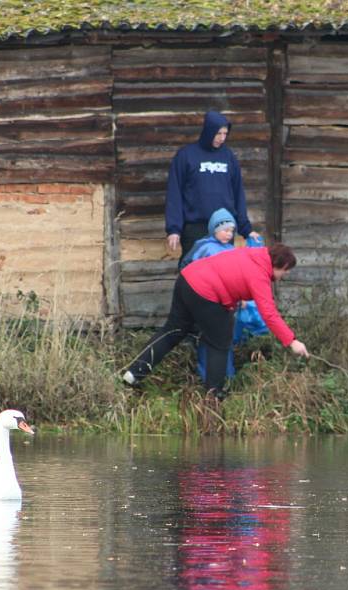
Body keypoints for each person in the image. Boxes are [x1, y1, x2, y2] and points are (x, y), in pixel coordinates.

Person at [122, 244, 309, 397]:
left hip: (187, 278)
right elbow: (269, 313)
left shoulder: (253, 253)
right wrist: (291, 341)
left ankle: (133, 374)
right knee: (220, 342)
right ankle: (214, 395)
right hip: (205, 291)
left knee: (173, 331)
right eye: (286, 272)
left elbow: (233, 273)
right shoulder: (259, 274)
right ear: (281, 266)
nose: (285, 276)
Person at [165, 110, 261, 264]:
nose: (222, 138)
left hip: (224, 228)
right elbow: (174, 193)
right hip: (195, 227)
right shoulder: (186, 155)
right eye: (218, 133)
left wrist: (246, 229)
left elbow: (237, 194)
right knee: (193, 274)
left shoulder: (228, 157)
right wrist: (174, 228)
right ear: (208, 131)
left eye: (225, 134)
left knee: (222, 273)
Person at [181, 207, 238, 380]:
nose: (229, 234)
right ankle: (206, 375)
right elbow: (195, 274)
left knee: (225, 339)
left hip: (226, 303)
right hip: (208, 302)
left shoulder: (230, 250)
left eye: (232, 230)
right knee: (209, 339)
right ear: (215, 228)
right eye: (225, 230)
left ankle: (227, 375)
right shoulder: (204, 249)